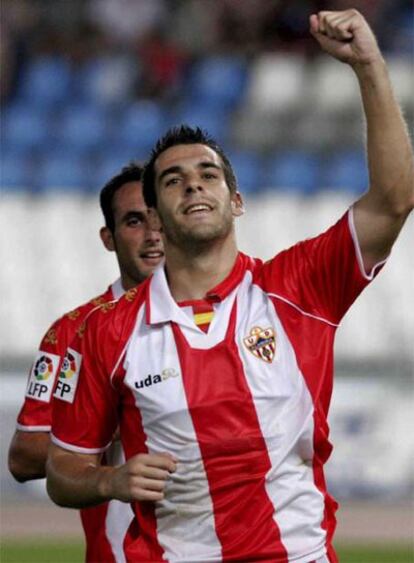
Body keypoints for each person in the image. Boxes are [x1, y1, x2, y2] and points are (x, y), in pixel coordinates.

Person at [47, 10, 414, 563]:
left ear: (235, 201)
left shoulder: (300, 286)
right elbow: (62, 470)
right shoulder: (108, 330)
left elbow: (393, 199)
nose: (193, 182)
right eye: (173, 180)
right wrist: (109, 482)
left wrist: (368, 64)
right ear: (158, 217)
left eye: (208, 173)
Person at [8, 163, 164, 563]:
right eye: (133, 221)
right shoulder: (72, 332)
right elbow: (24, 456)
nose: (152, 235)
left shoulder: (217, 320)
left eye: (159, 218)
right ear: (108, 238)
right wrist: (116, 423)